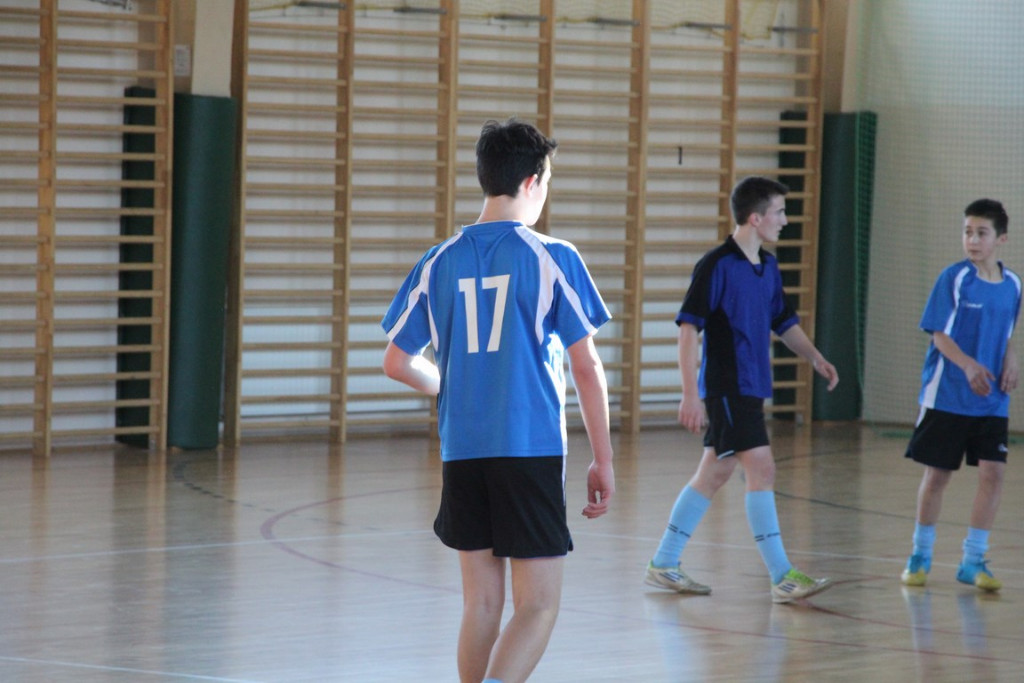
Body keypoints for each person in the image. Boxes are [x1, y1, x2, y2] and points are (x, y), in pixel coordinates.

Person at [381, 118, 615, 683]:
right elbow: (586, 367)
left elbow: (396, 361)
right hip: (529, 449)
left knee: (482, 604)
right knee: (538, 605)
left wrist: (450, 386)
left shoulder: (438, 260)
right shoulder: (552, 255)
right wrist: (603, 458)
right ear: (532, 182)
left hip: (463, 451)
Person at [644, 175, 839, 604]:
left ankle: (664, 561)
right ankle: (782, 575)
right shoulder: (716, 265)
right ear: (755, 218)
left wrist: (815, 357)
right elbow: (688, 330)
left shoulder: (768, 267)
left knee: (714, 473)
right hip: (727, 387)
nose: (785, 221)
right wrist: (689, 394)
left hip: (752, 387)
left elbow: (783, 322)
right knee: (762, 469)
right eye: (779, 213)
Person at [900, 198, 1020, 592]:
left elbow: (1005, 333)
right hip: (948, 394)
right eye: (968, 232)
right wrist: (968, 366)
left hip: (991, 397)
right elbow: (939, 335)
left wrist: (1011, 358)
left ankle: (973, 560)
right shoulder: (953, 278)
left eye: (981, 233)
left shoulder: (1013, 284)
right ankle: (920, 555)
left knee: (993, 473)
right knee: (938, 476)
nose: (972, 240)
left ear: (1001, 238)